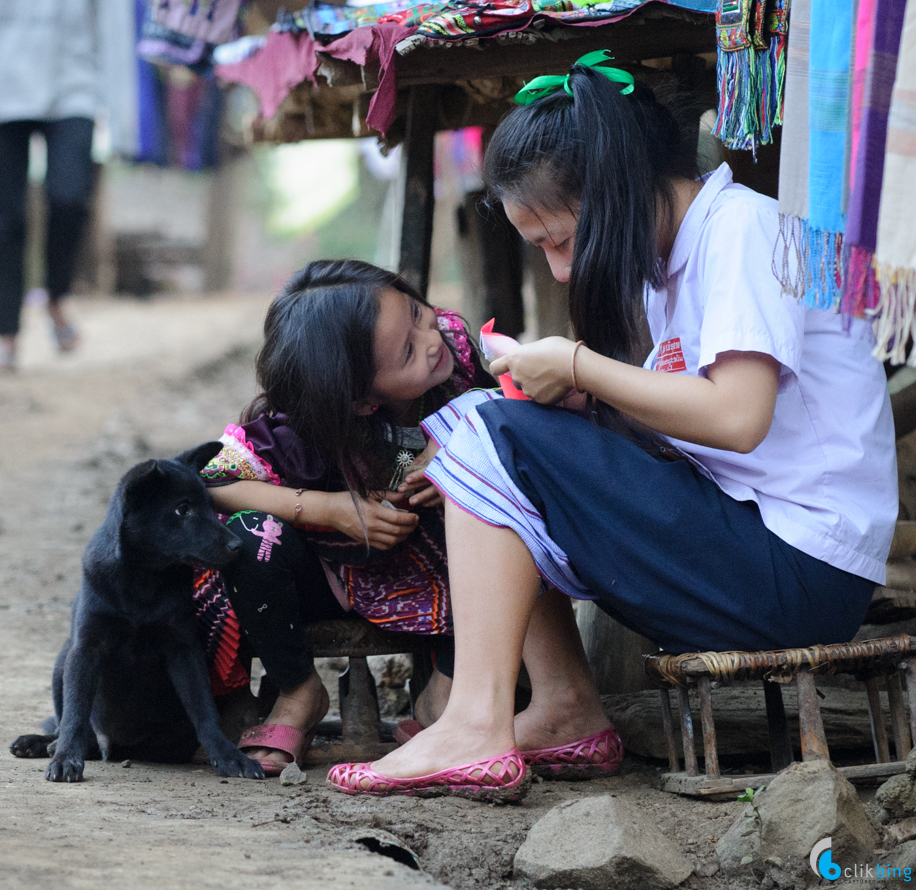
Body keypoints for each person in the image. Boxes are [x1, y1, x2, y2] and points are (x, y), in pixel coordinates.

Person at [326, 51, 898, 800]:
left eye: (562, 239)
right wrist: (583, 409)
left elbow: (738, 417)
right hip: (759, 547)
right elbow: (696, 425)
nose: (561, 271)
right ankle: (562, 707)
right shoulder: (671, 265)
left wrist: (579, 367)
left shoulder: (742, 233)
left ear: (620, 190)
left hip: (800, 571)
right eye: (543, 251)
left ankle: (475, 719)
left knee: (485, 433)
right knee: (479, 424)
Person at [197, 259, 495, 775]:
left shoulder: (455, 361)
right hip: (332, 577)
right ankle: (297, 691)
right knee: (248, 536)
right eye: (407, 350)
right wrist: (330, 509)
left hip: (445, 573)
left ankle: (445, 692)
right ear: (358, 402)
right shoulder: (299, 437)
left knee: (506, 514)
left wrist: (455, 455)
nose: (432, 339)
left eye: (419, 313)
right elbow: (215, 483)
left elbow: (509, 412)